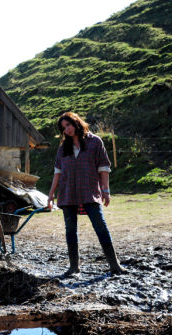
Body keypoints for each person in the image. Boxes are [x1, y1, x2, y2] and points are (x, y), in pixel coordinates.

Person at [47, 112, 127, 277]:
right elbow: (58, 172)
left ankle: (115, 265)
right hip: (67, 192)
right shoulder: (63, 148)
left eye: (68, 125)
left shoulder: (94, 142)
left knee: (100, 226)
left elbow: (103, 168)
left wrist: (106, 191)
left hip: (89, 191)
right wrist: (51, 194)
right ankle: (73, 267)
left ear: (76, 122)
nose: (67, 130)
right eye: (64, 128)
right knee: (70, 229)